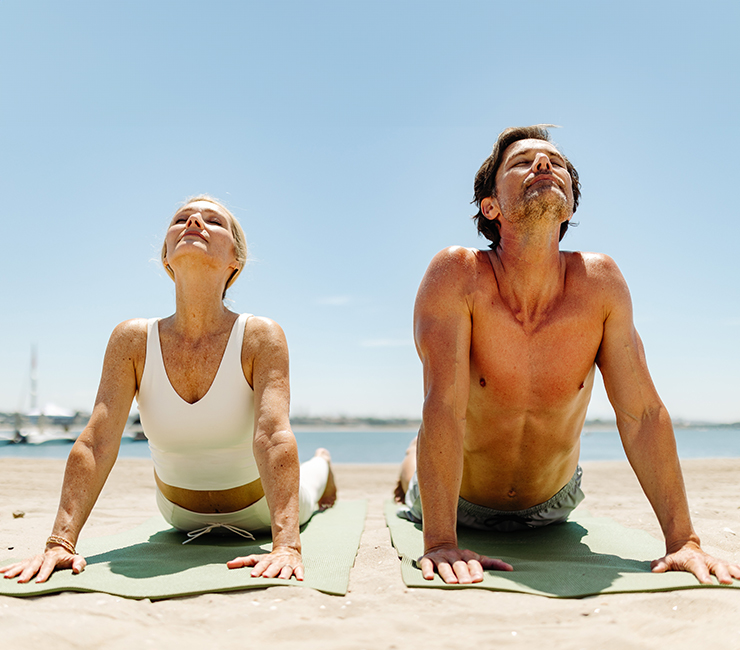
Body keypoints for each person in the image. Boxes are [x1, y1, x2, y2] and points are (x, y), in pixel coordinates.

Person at [395, 125, 740, 586]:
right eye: (522, 162)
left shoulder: (598, 283)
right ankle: (409, 460)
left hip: (553, 505)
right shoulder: (459, 274)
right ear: (490, 206)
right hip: (460, 503)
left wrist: (683, 541)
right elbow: (444, 405)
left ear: (571, 204)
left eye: (555, 163)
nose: (543, 165)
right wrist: (439, 541)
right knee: (413, 472)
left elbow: (641, 414)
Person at [2, 195, 336, 584]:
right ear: (166, 256)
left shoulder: (260, 336)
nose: (194, 220)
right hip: (179, 517)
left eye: (213, 221)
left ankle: (325, 464)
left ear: (235, 261)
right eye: (181, 218)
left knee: (310, 483)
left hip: (260, 510)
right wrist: (60, 542)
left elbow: (274, 435)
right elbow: (97, 441)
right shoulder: (132, 340)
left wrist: (286, 546)